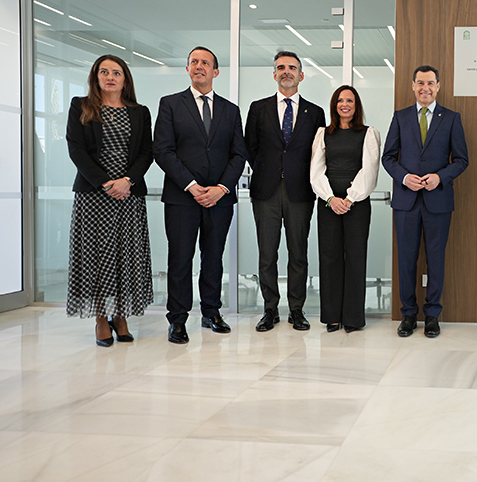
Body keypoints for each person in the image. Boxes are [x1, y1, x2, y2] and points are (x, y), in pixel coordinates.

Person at [153, 46, 247, 344]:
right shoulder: (170, 104)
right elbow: (162, 151)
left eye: (205, 63)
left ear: (215, 72)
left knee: (213, 258)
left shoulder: (230, 110)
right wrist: (191, 185)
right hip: (182, 198)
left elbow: (239, 154)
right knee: (180, 259)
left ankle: (211, 312)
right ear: (187, 69)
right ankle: (178, 320)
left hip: (219, 199)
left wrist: (221, 188)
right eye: (194, 61)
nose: (199, 66)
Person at [65, 54, 154, 346]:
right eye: (104, 72)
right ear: (96, 77)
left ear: (125, 80)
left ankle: (121, 315)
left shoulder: (139, 112)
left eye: (116, 72)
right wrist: (105, 183)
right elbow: (76, 149)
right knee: (97, 257)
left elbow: (147, 152)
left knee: (125, 256)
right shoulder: (81, 106)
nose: (110, 77)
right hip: (94, 196)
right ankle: (101, 318)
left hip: (128, 195)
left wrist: (127, 181)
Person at [382, 65, 469, 338]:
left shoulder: (451, 118)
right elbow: (388, 157)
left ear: (438, 86)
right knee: (406, 260)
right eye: (420, 83)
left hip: (437, 201)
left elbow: (462, 160)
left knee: (436, 259)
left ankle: (432, 315)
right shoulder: (400, 117)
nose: (425, 88)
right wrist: (404, 177)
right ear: (413, 85)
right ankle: (408, 315)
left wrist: (440, 177)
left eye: (430, 83)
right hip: (406, 201)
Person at [244, 51, 325, 332]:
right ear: (274, 74)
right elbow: (250, 147)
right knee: (267, 254)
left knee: (298, 253)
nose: (286, 71)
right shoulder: (258, 108)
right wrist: (268, 170)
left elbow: (318, 153)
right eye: (281, 67)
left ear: (301, 75)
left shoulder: (315, 112)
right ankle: (270, 310)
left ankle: (296, 310)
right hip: (266, 191)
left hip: (300, 191)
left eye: (292, 67)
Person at [310, 85, 381, 332]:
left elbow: (369, 169)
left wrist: (350, 199)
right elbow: (316, 170)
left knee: (355, 257)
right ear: (334, 105)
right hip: (328, 203)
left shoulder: (368, 133)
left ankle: (352, 318)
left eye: (350, 101)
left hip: (356, 205)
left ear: (356, 105)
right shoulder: (323, 133)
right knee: (329, 257)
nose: (345, 105)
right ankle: (332, 316)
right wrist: (331, 198)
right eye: (340, 100)